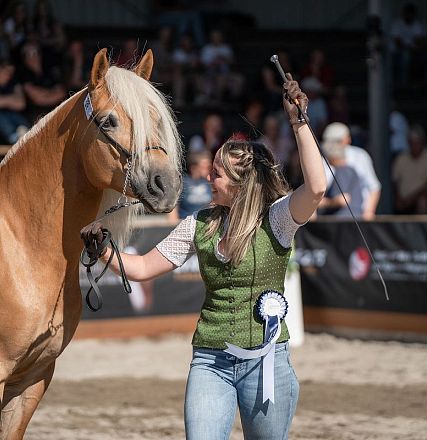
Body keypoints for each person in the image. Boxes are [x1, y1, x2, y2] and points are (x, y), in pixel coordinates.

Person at [81, 76, 326, 440]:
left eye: (218, 174)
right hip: (211, 360)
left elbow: (318, 187)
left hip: (268, 361)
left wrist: (298, 121)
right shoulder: (199, 223)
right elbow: (145, 267)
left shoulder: (277, 218)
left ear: (241, 184)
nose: (208, 179)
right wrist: (101, 251)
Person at [322, 122, 381, 220]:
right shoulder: (323, 160)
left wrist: (368, 212)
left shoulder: (360, 156)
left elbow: (374, 187)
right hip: (331, 219)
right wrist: (332, 202)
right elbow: (316, 193)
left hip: (358, 215)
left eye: (338, 142)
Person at [317, 138, 363, 218]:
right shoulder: (351, 171)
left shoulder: (343, 171)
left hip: (339, 221)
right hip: (353, 219)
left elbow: (342, 200)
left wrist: (326, 202)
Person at [392, 124, 427, 215]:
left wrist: (412, 198)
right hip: (403, 201)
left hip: (421, 199)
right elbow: (396, 182)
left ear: (422, 142)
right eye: (412, 143)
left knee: (422, 202)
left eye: (417, 143)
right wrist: (399, 198)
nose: (414, 146)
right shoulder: (401, 158)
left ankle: (422, 229)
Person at [169, 149, 212, 221]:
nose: (209, 169)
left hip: (204, 223)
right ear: (193, 168)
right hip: (185, 222)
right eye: (205, 167)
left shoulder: (209, 183)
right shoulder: (183, 183)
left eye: (209, 166)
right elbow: (173, 208)